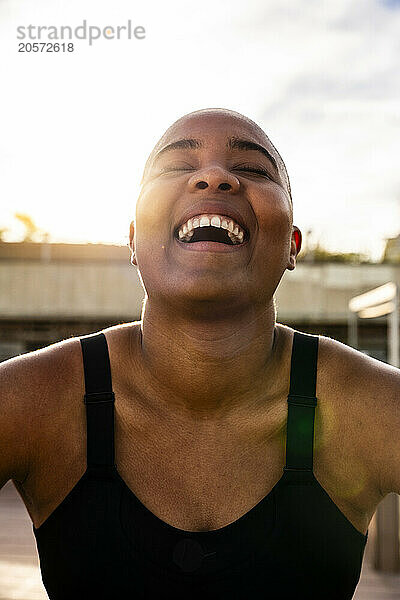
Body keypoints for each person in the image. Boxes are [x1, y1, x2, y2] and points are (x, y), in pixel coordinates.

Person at [1, 107, 399, 599]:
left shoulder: (373, 407)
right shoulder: (29, 400)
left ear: (292, 245)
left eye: (253, 170)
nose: (214, 176)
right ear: (132, 239)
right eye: (177, 167)